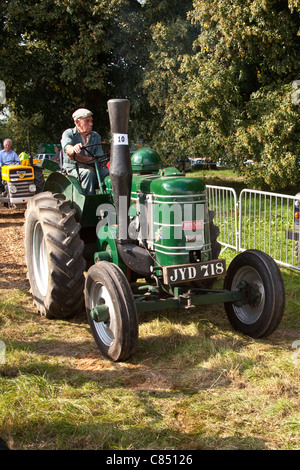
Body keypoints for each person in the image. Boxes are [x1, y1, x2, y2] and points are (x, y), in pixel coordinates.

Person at [61, 108, 108, 195]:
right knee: (88, 173)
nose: (91, 123)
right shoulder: (68, 134)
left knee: (111, 173)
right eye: (87, 121)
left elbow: (99, 157)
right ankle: (89, 205)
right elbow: (68, 150)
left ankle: (116, 202)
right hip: (73, 170)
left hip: (94, 168)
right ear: (77, 122)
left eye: (91, 120)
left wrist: (85, 159)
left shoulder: (96, 136)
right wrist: (74, 148)